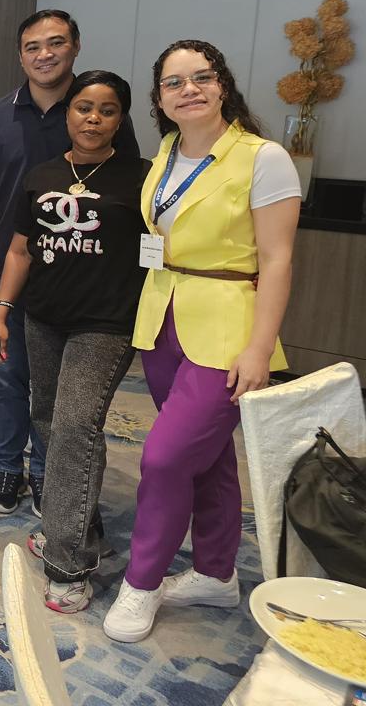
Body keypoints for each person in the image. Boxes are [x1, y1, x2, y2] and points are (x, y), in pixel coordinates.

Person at [103, 40, 300, 643]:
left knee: (164, 458)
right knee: (208, 457)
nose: (188, 89)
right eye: (174, 82)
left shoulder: (263, 158)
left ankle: (142, 582)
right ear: (160, 98)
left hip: (229, 327)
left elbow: (278, 259)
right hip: (163, 319)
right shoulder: (166, 151)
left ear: (223, 86)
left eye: (202, 77)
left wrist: (259, 348)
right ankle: (217, 574)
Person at [0, 10, 138, 515]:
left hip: (80, 278)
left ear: (75, 47)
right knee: (8, 381)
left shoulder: (99, 110)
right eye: (33, 46)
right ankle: (10, 467)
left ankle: (48, 474)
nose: (44, 54)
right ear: (20, 55)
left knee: (60, 395)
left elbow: (125, 193)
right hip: (4, 268)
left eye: (55, 43)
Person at [0, 71, 150, 613]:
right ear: (69, 114)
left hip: (106, 325)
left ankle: (67, 562)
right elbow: (20, 251)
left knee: (76, 428)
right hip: (44, 319)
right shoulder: (43, 174)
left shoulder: (142, 178)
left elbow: (163, 253)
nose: (93, 118)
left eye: (107, 110)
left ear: (120, 119)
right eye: (84, 108)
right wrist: (2, 312)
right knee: (51, 423)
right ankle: (83, 527)